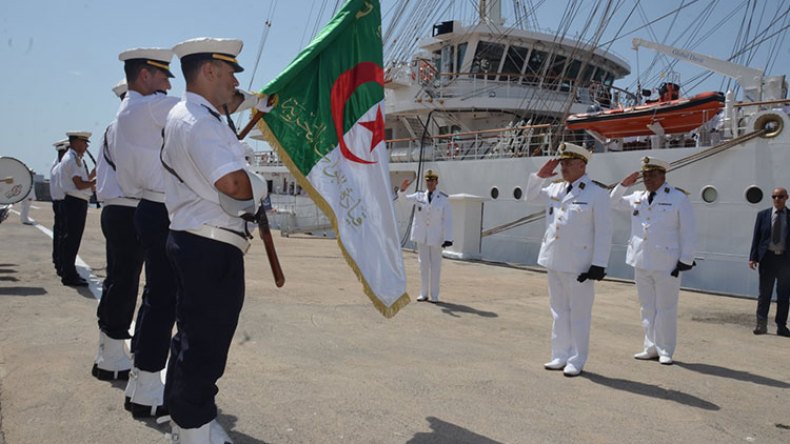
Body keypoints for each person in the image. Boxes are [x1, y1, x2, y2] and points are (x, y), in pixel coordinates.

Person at [162, 36, 263, 443]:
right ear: (208, 71)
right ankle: (194, 428)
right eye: (230, 74)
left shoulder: (195, 113)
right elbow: (234, 184)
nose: (235, 83)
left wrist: (260, 101)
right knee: (206, 342)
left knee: (192, 336)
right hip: (209, 245)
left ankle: (185, 419)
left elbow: (236, 103)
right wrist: (262, 188)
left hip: (198, 240)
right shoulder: (200, 122)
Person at [113, 47, 179, 418]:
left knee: (156, 296)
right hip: (160, 210)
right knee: (165, 300)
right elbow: (203, 109)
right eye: (162, 76)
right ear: (144, 77)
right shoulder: (150, 107)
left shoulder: (129, 109)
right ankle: (150, 389)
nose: (168, 84)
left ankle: (141, 381)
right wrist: (253, 100)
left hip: (148, 208)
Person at [525, 142, 612, 377]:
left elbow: (603, 231)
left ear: (582, 165)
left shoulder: (597, 193)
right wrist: (539, 176)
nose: (563, 168)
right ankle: (560, 354)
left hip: (580, 264)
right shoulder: (555, 189)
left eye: (568, 163)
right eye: (562, 163)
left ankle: (577, 358)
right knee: (558, 310)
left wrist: (599, 264)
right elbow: (531, 197)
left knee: (579, 313)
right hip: (554, 260)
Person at [610, 157, 696, 365]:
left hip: (667, 262)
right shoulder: (638, 196)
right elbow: (612, 202)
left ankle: (665, 349)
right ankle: (650, 347)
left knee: (666, 307)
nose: (647, 179)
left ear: (662, 175)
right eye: (645, 175)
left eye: (652, 175)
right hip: (641, 259)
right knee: (646, 307)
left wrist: (686, 259)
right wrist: (623, 185)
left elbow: (688, 230)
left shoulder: (677, 198)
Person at [91, 79, 143, 382]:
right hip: (126, 210)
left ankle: (108, 351)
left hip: (120, 209)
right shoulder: (126, 129)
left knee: (120, 280)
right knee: (123, 282)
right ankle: (110, 355)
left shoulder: (117, 127)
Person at [397, 170, 453, 303]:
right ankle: (423, 293)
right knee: (423, 265)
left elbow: (448, 220)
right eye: (428, 181)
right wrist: (402, 190)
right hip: (422, 236)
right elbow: (404, 200)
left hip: (436, 237)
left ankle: (435, 295)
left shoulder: (443, 199)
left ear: (436, 182)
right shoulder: (419, 196)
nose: (430, 183)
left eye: (432, 181)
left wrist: (448, 238)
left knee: (436, 266)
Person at [748, 187, 790, 337]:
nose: (777, 199)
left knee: (784, 295)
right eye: (774, 196)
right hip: (768, 259)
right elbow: (757, 238)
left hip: (785, 260)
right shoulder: (763, 215)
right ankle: (761, 324)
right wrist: (753, 257)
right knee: (764, 294)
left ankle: (781, 326)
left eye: (780, 196)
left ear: (787, 197)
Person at [59, 131, 95, 287]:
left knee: (71, 239)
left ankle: (67, 270)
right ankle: (69, 274)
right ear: (75, 142)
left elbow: (83, 181)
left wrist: (93, 177)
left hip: (76, 201)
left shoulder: (75, 159)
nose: (86, 146)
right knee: (72, 239)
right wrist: (96, 181)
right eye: (84, 142)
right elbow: (79, 184)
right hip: (75, 202)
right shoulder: (73, 159)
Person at [50, 139, 69, 276]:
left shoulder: (55, 165)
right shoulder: (62, 165)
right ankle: (62, 262)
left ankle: (58, 259)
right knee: (64, 235)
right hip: (64, 202)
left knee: (59, 233)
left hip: (58, 202)